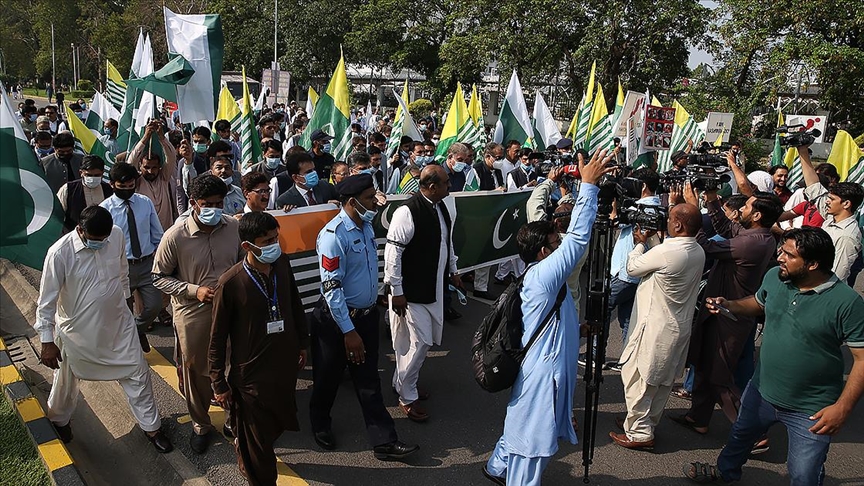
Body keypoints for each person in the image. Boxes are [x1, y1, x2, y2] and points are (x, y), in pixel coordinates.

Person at [683, 227, 864, 485]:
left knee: (804, 474)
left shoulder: (847, 303)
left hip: (812, 409)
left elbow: (862, 359)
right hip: (761, 391)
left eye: (789, 255)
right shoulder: (775, 278)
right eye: (782, 251)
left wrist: (842, 408)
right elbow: (760, 303)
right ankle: (725, 472)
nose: (780, 257)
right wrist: (731, 304)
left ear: (812, 264)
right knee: (738, 439)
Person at [484, 150, 613, 485]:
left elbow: (553, 322)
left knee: (523, 425)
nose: (563, 244)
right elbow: (580, 238)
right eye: (557, 242)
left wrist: (581, 329)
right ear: (544, 251)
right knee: (533, 443)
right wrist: (588, 187)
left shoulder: (543, 277)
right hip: (541, 374)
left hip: (542, 367)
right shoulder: (545, 275)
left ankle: (497, 466)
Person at [35, 206, 172, 453]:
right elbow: (46, 301)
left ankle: (152, 428)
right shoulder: (59, 253)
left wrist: (126, 302)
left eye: (104, 239)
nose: (101, 243)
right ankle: (59, 421)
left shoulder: (116, 235)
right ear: (80, 230)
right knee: (66, 382)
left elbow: (122, 273)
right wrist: (46, 341)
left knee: (138, 373)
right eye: (95, 240)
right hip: (77, 333)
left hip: (119, 324)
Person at [310, 174, 419, 460]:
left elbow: (366, 271)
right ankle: (320, 423)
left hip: (367, 317)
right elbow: (331, 289)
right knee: (328, 376)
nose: (376, 202)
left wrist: (377, 297)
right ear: (351, 202)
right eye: (370, 198)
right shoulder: (333, 236)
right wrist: (348, 332)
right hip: (337, 322)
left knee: (368, 379)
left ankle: (384, 441)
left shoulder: (366, 226)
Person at [672, 187, 783, 440]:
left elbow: (705, 245)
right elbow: (726, 228)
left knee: (719, 376)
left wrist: (694, 214)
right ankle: (698, 418)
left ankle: (752, 433)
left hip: (729, 316)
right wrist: (711, 198)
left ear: (756, 216)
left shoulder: (751, 243)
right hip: (718, 312)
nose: (741, 209)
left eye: (746, 207)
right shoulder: (756, 235)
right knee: (702, 364)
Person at [210, 212, 309, 484]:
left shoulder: (282, 263)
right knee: (260, 447)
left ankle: (243, 445)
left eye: (276, 238)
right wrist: (218, 383)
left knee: (276, 426)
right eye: (267, 241)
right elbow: (217, 338)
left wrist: (302, 342)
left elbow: (295, 303)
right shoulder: (230, 283)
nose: (274, 245)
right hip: (250, 377)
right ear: (247, 246)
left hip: (284, 366)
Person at [152, 175, 244, 454]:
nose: (215, 209)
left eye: (219, 203)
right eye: (208, 204)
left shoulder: (234, 227)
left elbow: (244, 263)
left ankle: (232, 420)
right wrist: (194, 290)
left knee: (233, 367)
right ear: (193, 203)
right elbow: (158, 277)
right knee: (196, 371)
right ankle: (201, 425)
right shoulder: (175, 236)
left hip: (232, 310)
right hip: (194, 313)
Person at [609, 204, 706, 450]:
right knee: (660, 383)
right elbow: (663, 258)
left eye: (671, 218)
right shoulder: (697, 250)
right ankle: (643, 422)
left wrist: (640, 242)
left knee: (639, 379)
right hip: (676, 327)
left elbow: (633, 268)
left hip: (655, 328)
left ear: (678, 225)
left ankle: (639, 433)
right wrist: (653, 241)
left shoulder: (666, 251)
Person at [385, 165, 463, 422]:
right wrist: (396, 290)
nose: (449, 186)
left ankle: (404, 382)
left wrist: (453, 270)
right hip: (410, 292)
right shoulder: (406, 212)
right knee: (419, 342)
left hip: (434, 287)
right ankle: (407, 396)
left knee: (419, 342)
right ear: (431, 187)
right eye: (445, 183)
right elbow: (393, 253)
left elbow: (446, 242)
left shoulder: (441, 207)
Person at [583, 167, 662, 371]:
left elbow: (616, 220)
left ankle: (595, 355)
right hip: (636, 274)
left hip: (624, 273)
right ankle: (628, 360)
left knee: (601, 310)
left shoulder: (640, 210)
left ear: (643, 186)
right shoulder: (657, 207)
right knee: (628, 318)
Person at [100, 162, 164, 338]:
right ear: (112, 184)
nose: (128, 190)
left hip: (146, 265)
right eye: (122, 187)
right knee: (123, 311)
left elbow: (157, 234)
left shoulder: (145, 202)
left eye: (131, 186)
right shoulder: (105, 209)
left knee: (155, 306)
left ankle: (136, 332)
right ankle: (129, 344)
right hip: (120, 267)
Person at [797, 144, 864, 281]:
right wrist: (802, 150)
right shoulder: (831, 217)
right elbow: (814, 188)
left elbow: (837, 275)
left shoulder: (846, 237)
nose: (827, 202)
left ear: (846, 204)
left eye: (832, 199)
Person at [127, 119, 179, 231]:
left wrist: (161, 137)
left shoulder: (163, 177)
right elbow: (131, 161)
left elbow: (171, 156)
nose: (150, 171)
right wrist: (146, 137)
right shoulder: (137, 180)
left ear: (159, 167)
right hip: (144, 231)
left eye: (154, 167)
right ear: (140, 166)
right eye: (146, 167)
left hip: (165, 230)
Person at [472, 142, 506, 299]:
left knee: (486, 253)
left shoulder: (498, 171)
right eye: (498, 158)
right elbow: (472, 195)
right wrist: (494, 192)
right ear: (487, 156)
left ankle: (481, 287)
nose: (500, 161)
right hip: (477, 218)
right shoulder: (476, 170)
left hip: (494, 218)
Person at [57, 155, 113, 233]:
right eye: (89, 175)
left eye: (97, 175)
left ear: (102, 173)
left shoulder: (109, 190)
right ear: (81, 173)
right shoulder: (68, 189)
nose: (93, 178)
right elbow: (58, 215)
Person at [274, 151, 338, 208]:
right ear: (295, 177)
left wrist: (335, 205)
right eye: (309, 172)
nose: (314, 173)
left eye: (314, 169)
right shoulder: (285, 200)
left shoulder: (326, 187)